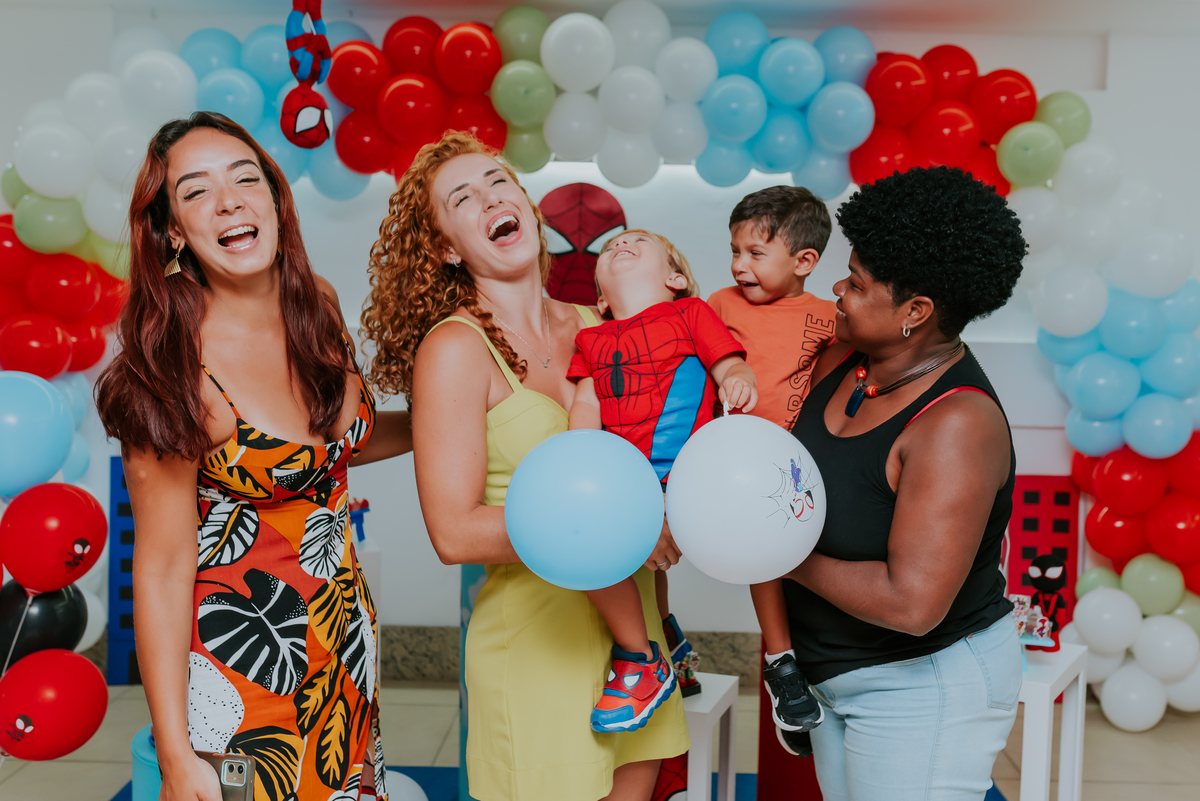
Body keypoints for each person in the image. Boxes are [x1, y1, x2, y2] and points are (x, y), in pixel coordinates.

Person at [360, 133, 689, 801]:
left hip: (638, 655)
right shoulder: (454, 349)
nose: (490, 199)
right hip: (538, 650)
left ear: (528, 206)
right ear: (448, 247)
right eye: (463, 198)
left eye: (498, 183)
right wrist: (617, 529)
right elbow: (455, 532)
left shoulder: (600, 322)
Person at [95, 112, 412, 801]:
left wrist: (444, 419)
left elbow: (339, 447)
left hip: (344, 648)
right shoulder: (171, 366)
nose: (230, 200)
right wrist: (176, 754)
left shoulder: (317, 310)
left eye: (246, 179)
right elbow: (162, 567)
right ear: (174, 230)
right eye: (197, 191)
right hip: (243, 689)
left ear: (274, 200)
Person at [784, 166, 1026, 801]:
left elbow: (911, 604)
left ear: (916, 312)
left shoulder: (955, 425)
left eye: (858, 283)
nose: (838, 287)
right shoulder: (850, 360)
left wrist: (779, 552)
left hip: (924, 682)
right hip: (836, 673)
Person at [567, 228, 757, 732]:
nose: (620, 245)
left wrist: (738, 379)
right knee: (615, 549)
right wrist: (579, 453)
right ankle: (667, 644)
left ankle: (641, 658)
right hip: (627, 478)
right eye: (609, 248)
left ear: (676, 278)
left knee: (598, 545)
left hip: (688, 475)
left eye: (638, 242)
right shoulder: (590, 338)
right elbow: (587, 403)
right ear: (601, 300)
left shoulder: (691, 314)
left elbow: (728, 362)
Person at [707, 186, 838, 750]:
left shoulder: (830, 317)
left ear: (804, 261)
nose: (739, 266)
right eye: (734, 251)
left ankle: (816, 671)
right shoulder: (717, 305)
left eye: (755, 254)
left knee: (812, 562)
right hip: (731, 461)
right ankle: (781, 662)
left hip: (798, 464)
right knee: (767, 556)